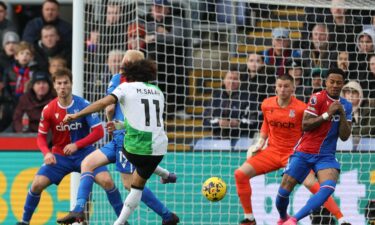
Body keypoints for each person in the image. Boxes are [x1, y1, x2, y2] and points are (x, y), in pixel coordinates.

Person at [57, 50, 179, 225]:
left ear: (130, 66)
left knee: (131, 184)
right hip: (125, 136)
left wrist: (81, 116)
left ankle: (166, 214)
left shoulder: (121, 83)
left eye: (124, 63)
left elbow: (108, 107)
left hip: (127, 139)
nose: (121, 67)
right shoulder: (155, 90)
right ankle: (78, 210)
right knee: (88, 163)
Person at [234, 74, 350, 225]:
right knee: (240, 174)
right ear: (275, 87)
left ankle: (341, 217)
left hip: (294, 153)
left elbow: (309, 130)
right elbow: (266, 123)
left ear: (293, 89)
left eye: (286, 86)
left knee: (315, 186)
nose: (282, 89)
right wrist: (260, 141)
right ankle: (250, 218)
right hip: (272, 151)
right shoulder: (267, 104)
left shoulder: (301, 108)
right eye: (280, 86)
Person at [15, 68, 123, 225]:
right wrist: (46, 153)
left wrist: (77, 145)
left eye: (66, 83)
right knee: (37, 184)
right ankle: (25, 221)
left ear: (71, 84)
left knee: (107, 181)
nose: (62, 86)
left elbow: (99, 132)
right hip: (60, 156)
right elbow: (41, 137)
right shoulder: (49, 109)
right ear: (54, 86)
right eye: (59, 83)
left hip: (85, 154)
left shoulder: (84, 105)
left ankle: (122, 219)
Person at [276, 68, 352, 225]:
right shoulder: (317, 98)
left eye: (339, 82)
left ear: (343, 84)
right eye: (332, 82)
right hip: (304, 151)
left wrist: (342, 113)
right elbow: (305, 125)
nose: (335, 85)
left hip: (326, 155)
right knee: (284, 190)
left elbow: (344, 136)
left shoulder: (346, 105)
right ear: (326, 82)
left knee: (328, 188)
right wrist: (327, 115)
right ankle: (283, 217)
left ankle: (293, 219)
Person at [203, 70, 258, 139]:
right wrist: (218, 123)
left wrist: (238, 124)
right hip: (218, 137)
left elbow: (255, 121)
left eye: (235, 79)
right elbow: (205, 121)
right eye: (229, 78)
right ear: (224, 80)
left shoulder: (249, 98)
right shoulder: (215, 97)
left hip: (242, 137)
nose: (232, 81)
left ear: (240, 82)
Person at [341, 80, 375, 149]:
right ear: (344, 96)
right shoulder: (340, 111)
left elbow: (370, 128)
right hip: (346, 143)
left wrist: (350, 132)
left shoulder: (370, 107)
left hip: (369, 141)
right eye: (348, 93)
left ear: (359, 94)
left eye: (354, 92)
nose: (351, 95)